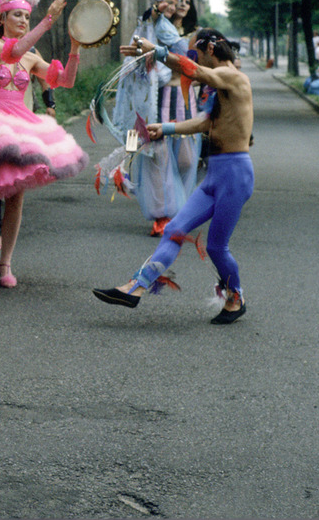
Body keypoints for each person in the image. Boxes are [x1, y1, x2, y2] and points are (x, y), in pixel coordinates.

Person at [93, 28, 254, 325]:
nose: (193, 57)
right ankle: (136, 287)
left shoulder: (233, 77)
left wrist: (158, 50)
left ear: (209, 49)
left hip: (235, 174)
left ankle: (236, 296)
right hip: (217, 174)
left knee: (217, 247)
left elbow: (191, 70)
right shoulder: (222, 85)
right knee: (174, 230)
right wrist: (165, 128)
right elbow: (206, 121)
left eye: (195, 51)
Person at [0, 0, 88, 287]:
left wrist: (75, 49)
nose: (24, 20)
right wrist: (47, 21)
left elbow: (64, 81)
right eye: (18, 15)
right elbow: (11, 52)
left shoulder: (31, 57)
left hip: (21, 125)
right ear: (3, 17)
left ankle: (6, 262)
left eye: (28, 15)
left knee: (16, 195)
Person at [99, 0, 201, 237]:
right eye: (170, 2)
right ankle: (162, 216)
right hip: (157, 102)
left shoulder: (186, 34)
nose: (177, 6)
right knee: (158, 158)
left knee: (187, 160)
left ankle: (177, 209)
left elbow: (188, 61)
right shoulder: (150, 26)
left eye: (182, 2)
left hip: (183, 102)